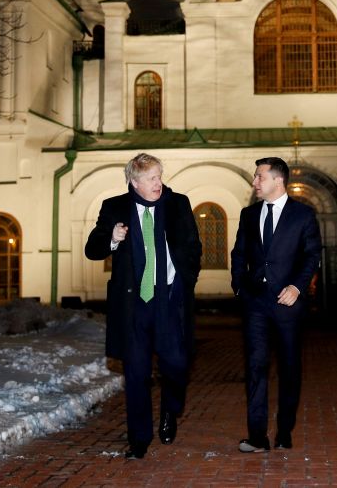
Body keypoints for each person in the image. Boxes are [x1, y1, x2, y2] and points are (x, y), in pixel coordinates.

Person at [85, 153, 202, 459]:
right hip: (133, 304)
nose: (158, 183)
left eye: (159, 176)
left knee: (176, 364)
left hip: (169, 299)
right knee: (136, 373)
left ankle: (170, 411)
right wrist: (111, 238)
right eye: (151, 178)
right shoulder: (114, 208)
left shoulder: (178, 204)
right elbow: (92, 248)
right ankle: (139, 438)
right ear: (134, 182)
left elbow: (193, 246)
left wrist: (187, 279)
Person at [230, 156, 321, 453]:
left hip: (288, 303)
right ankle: (257, 436)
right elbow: (239, 253)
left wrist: (297, 286)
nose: (255, 182)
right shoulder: (248, 214)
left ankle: (284, 430)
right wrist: (239, 287)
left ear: (277, 180)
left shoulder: (303, 215)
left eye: (259, 176)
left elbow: (311, 255)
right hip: (255, 303)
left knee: (289, 368)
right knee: (255, 368)